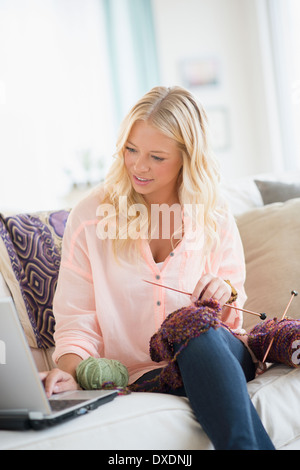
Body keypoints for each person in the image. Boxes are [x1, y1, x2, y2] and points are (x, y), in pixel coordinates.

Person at [41, 86, 275, 450]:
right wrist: (71, 373)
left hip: (220, 355)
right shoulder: (91, 217)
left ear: (186, 158)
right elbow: (76, 324)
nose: (139, 165)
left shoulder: (213, 213)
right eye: (131, 150)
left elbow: (232, 316)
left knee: (195, 329)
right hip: (146, 377)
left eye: (156, 156)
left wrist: (222, 290)